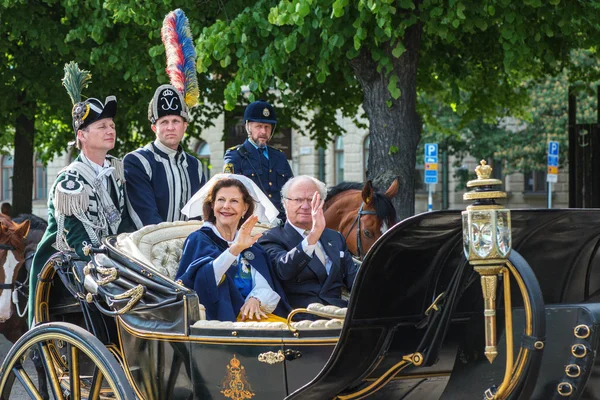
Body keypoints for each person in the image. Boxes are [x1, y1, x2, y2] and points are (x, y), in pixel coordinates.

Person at [30, 63, 129, 325]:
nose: (110, 130)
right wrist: (114, 267)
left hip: (111, 261)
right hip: (69, 269)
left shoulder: (115, 172)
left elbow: (125, 222)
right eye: (102, 126)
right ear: (82, 136)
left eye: (111, 125)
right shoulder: (69, 180)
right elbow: (78, 237)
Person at [177, 175, 290, 322]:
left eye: (234, 201)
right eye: (221, 200)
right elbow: (203, 282)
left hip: (254, 317)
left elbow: (265, 285)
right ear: (212, 205)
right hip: (220, 320)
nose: (226, 206)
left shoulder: (253, 246)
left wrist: (256, 299)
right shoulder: (199, 239)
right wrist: (235, 249)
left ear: (245, 208)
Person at [259, 175, 358, 310]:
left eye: (311, 200)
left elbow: (355, 280)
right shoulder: (271, 237)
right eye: (298, 199)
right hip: (300, 318)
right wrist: (313, 235)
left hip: (339, 314)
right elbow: (284, 270)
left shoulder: (335, 238)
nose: (305, 206)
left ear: (322, 203)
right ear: (285, 203)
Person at [124, 84, 206, 230]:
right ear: (154, 128)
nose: (170, 128)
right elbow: (146, 216)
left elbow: (199, 214)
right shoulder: (137, 161)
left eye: (176, 121)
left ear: (185, 126)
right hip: (147, 246)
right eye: (164, 122)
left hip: (189, 245)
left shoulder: (196, 166)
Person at [223, 100, 293, 222]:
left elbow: (291, 191)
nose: (263, 132)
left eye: (267, 127)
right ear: (248, 127)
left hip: (281, 223)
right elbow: (230, 192)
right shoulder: (235, 155)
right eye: (259, 126)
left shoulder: (279, 156)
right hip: (250, 224)